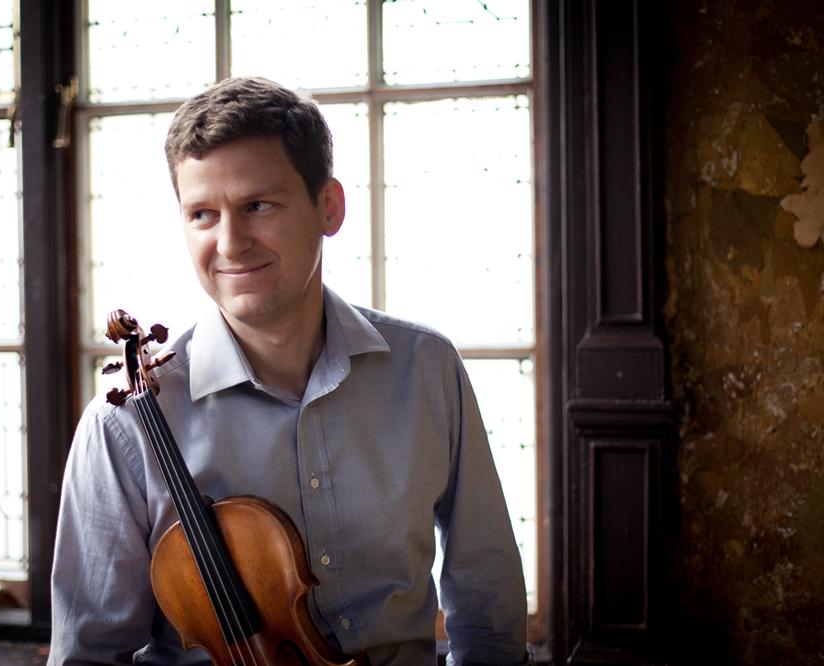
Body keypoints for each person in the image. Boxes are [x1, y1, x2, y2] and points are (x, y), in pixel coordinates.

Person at [48, 76, 527, 665]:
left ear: (328, 207)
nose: (230, 243)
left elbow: (486, 601)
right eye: (202, 214)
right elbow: (89, 657)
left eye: (257, 205)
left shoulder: (427, 370)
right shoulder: (126, 423)